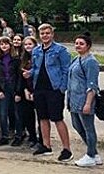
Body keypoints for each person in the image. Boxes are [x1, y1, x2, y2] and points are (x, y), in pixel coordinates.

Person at [23, 23, 73, 162]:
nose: (45, 35)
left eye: (47, 33)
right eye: (42, 33)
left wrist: (62, 88)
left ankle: (66, 149)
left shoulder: (60, 50)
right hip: (39, 88)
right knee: (42, 117)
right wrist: (30, 73)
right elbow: (36, 67)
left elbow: (66, 70)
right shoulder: (37, 51)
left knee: (57, 118)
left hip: (54, 88)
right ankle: (46, 145)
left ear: (52, 34)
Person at [67, 33, 102, 167]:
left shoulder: (91, 61)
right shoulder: (76, 59)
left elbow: (92, 84)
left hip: (84, 100)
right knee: (77, 126)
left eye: (81, 44)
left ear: (88, 46)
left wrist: (88, 103)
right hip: (73, 99)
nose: (78, 46)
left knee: (88, 128)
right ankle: (94, 152)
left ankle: (91, 155)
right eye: (76, 43)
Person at [0, 36, 23, 146]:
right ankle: (4, 136)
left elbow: (19, 76)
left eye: (6, 44)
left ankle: (18, 135)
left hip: (14, 87)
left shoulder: (16, 59)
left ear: (10, 45)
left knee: (16, 113)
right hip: (3, 87)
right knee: (3, 113)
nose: (4, 46)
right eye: (1, 44)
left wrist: (18, 92)